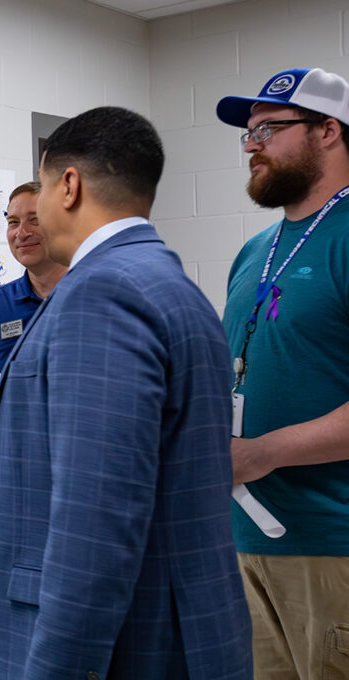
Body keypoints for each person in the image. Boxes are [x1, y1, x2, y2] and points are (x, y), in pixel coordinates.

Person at [0, 108, 252, 678]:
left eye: (42, 191)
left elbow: (97, 517)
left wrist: (58, 667)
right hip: (179, 622)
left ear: (69, 185)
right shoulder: (167, 282)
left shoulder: (102, 293)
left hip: (127, 640)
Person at [216, 67, 349, 679]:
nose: (252, 145)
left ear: (328, 130)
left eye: (269, 129)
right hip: (247, 540)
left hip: (332, 545)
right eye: (248, 134)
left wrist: (262, 452)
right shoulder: (256, 249)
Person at [0, 181, 67, 407]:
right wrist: (8, 415)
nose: (21, 233)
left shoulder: (98, 294)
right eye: (13, 222)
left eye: (35, 219)